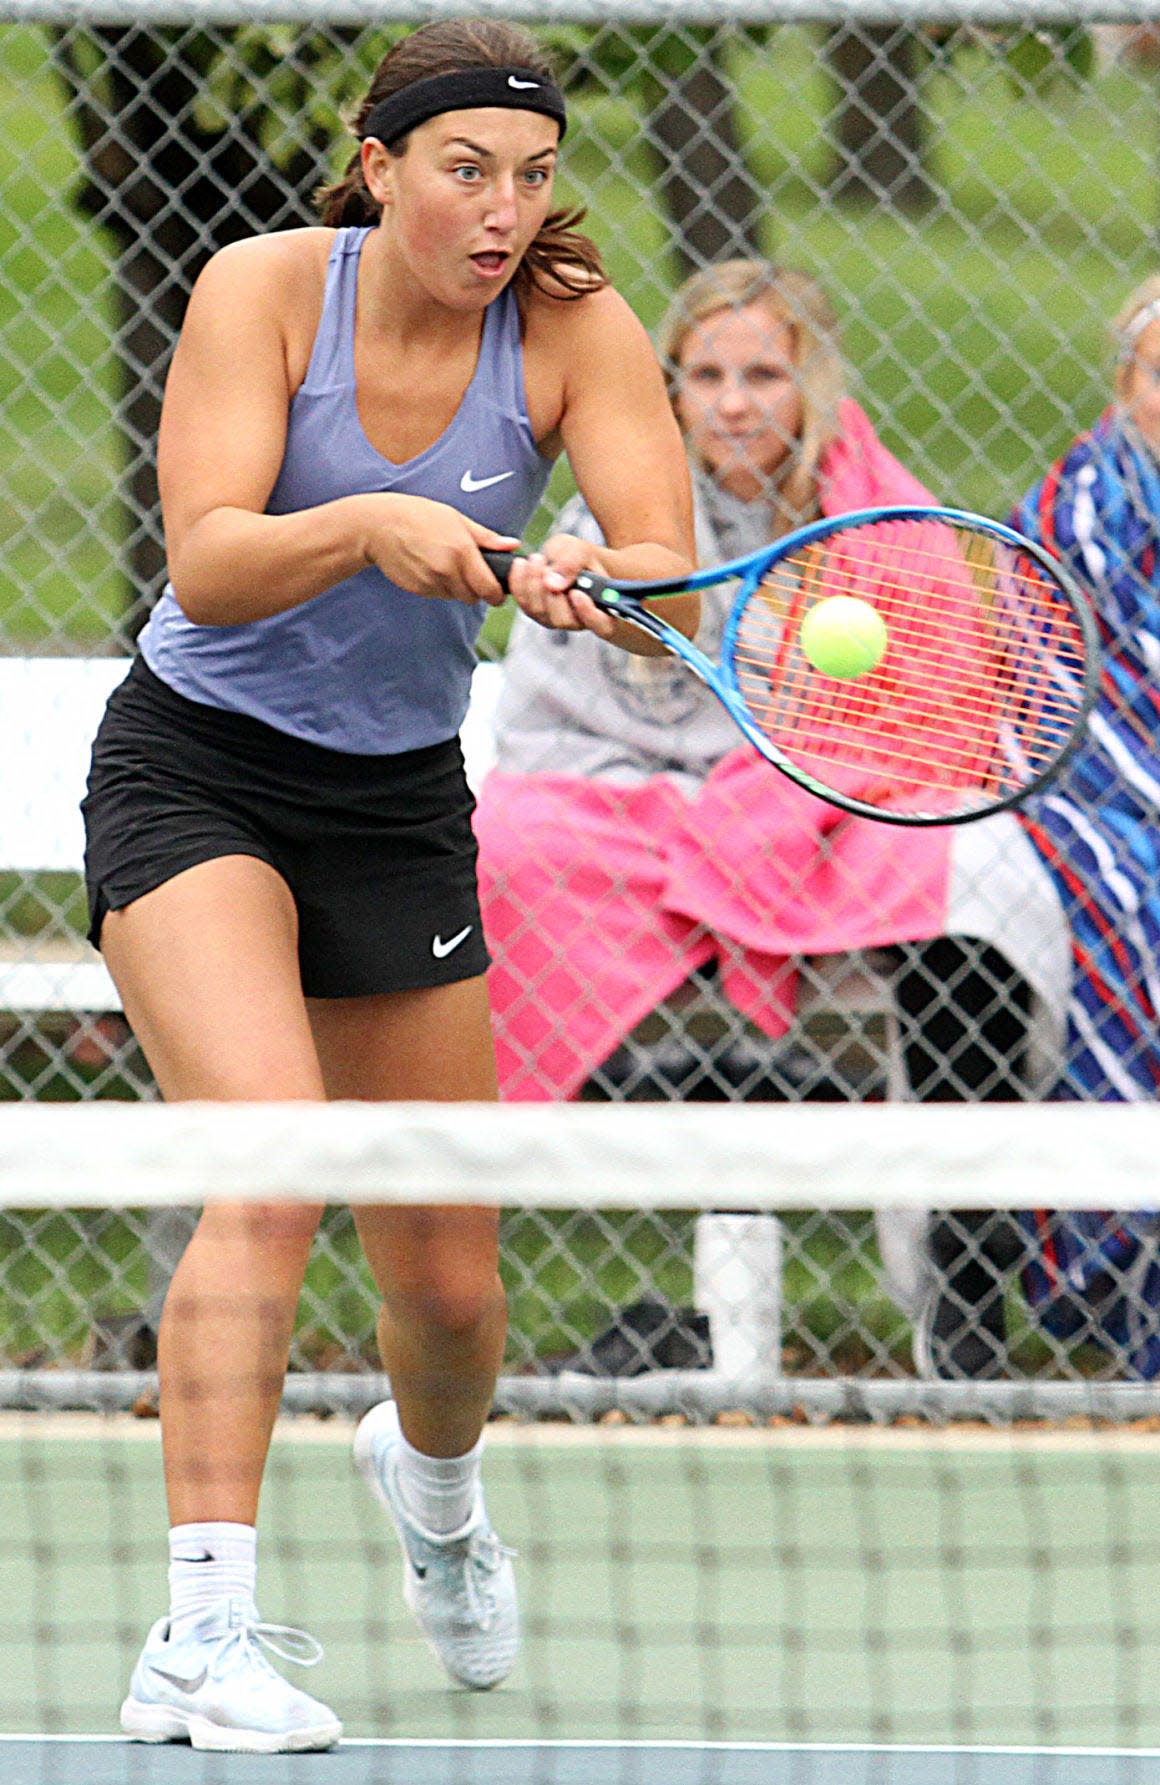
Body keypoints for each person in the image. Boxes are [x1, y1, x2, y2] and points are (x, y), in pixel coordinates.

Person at [81, 18, 698, 1753]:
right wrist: (367, 525)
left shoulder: (576, 331)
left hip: (396, 807)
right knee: (269, 1164)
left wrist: (593, 573)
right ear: (380, 169)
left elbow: (671, 571)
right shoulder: (267, 291)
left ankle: (434, 1500)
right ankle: (198, 1635)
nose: (503, 209)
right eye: (465, 169)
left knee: (447, 1292)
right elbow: (205, 561)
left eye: (533, 174)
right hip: (195, 771)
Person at [473, 259, 1072, 1379]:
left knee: (977, 882)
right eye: (705, 373)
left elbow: (932, 718)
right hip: (629, 803)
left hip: (830, 814)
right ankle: (730, 1104)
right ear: (671, 388)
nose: (733, 400)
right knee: (515, 850)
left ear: (811, 386)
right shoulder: (611, 507)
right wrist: (700, 790)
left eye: (762, 372)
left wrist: (780, 794)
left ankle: (960, 1287)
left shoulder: (878, 512)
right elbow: (547, 731)